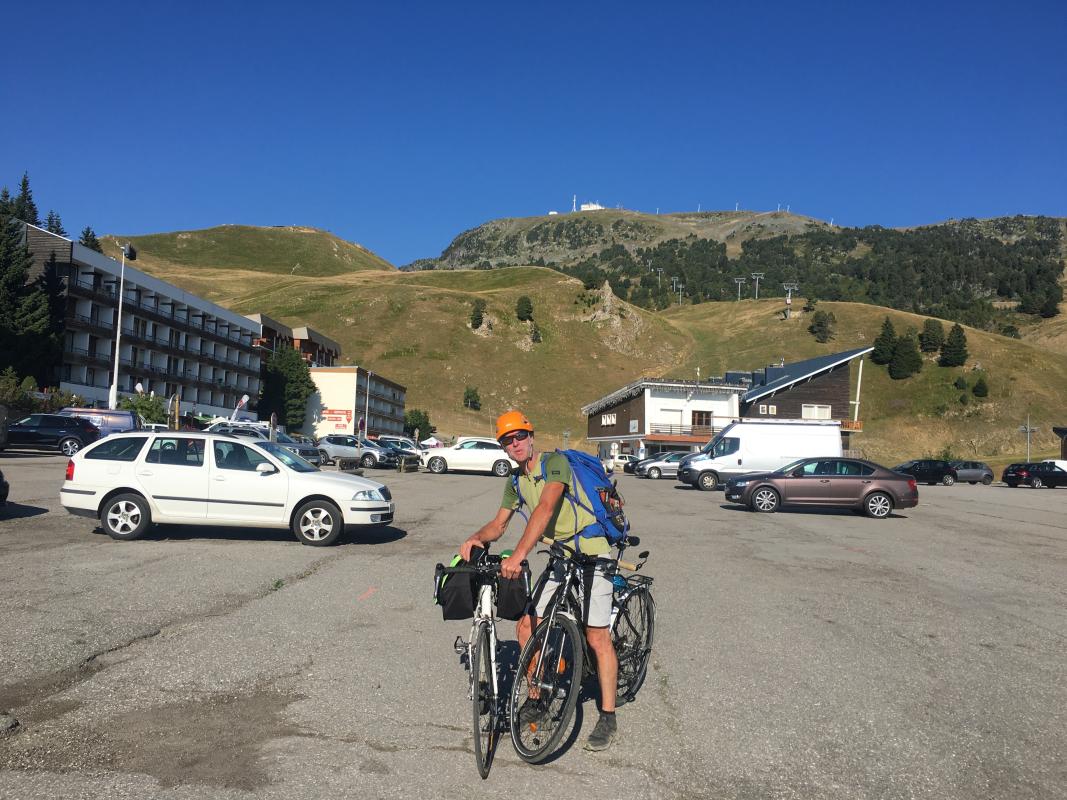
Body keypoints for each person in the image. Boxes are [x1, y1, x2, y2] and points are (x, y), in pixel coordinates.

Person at [459, 410, 620, 752]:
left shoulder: (554, 463)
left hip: (593, 549)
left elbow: (546, 508)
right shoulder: (515, 481)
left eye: (519, 437)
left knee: (596, 635)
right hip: (562, 553)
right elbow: (499, 524)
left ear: (531, 437)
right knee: (527, 625)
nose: (514, 444)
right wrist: (475, 537)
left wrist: (517, 556)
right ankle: (536, 698)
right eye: (507, 440)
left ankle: (607, 715)